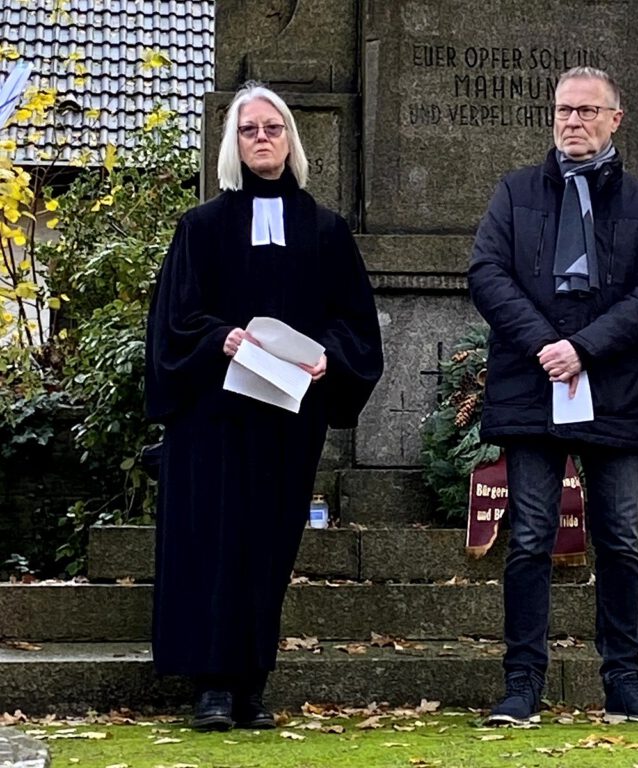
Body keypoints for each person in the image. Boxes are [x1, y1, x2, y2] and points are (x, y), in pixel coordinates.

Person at [145, 82, 383, 731]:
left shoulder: (326, 232)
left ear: (291, 140)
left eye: (271, 128)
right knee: (212, 544)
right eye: (248, 130)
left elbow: (355, 323)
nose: (261, 139)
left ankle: (251, 683)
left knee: (266, 548)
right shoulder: (201, 228)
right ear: (233, 143)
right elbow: (174, 320)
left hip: (285, 419)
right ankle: (211, 687)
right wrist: (218, 337)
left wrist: (330, 355)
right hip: (213, 419)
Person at [468, 66, 638, 726]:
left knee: (618, 538)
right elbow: (486, 271)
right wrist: (546, 346)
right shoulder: (514, 191)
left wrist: (584, 348)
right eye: (565, 110)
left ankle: (624, 682)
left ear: (616, 120)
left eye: (589, 111)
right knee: (530, 536)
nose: (574, 121)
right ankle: (522, 685)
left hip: (611, 390)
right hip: (532, 387)